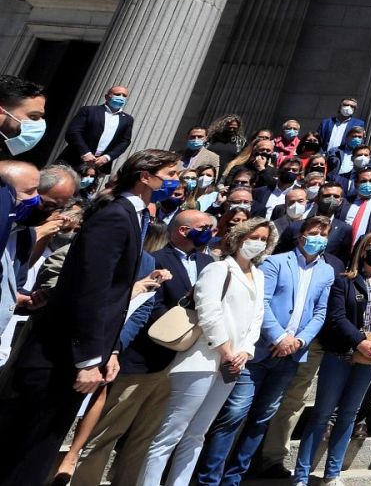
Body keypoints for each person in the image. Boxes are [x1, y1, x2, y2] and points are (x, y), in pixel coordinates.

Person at [0, 148, 176, 485]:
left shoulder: (134, 216)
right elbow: (91, 291)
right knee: (24, 454)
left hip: (77, 355)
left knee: (38, 451)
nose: (175, 182)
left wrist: (108, 351)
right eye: (170, 175)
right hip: (60, 357)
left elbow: (113, 294)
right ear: (145, 176)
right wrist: (88, 360)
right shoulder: (115, 215)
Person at [71, 210, 217, 486]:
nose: (211, 231)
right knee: (106, 434)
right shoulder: (156, 259)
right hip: (139, 361)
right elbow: (145, 309)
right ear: (184, 231)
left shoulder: (207, 262)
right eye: (205, 227)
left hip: (175, 364)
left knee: (144, 438)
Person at [197, 217, 337, 486]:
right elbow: (263, 303)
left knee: (262, 418)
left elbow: (320, 312)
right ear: (301, 236)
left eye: (323, 233)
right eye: (313, 232)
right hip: (259, 353)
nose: (318, 237)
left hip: (291, 356)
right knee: (234, 414)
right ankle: (209, 479)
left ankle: (235, 477)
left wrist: (299, 341)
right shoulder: (275, 262)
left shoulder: (327, 271)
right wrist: (279, 337)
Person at [139, 218, 269, 486]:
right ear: (239, 237)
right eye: (253, 236)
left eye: (264, 239)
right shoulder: (218, 269)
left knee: (198, 434)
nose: (258, 243)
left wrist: (245, 351)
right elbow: (209, 312)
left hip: (232, 364)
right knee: (170, 435)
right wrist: (226, 349)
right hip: (201, 360)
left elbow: (256, 318)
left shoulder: (259, 275)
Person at [291, 231, 371, 486]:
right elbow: (337, 316)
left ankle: (333, 473)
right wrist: (359, 341)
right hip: (341, 353)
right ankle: (302, 475)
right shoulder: (343, 280)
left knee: (349, 414)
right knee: (322, 414)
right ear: (362, 250)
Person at [61, 85, 134, 179]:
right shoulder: (89, 111)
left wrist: (107, 157)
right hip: (74, 159)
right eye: (117, 94)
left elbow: (125, 141)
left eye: (124, 95)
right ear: (107, 96)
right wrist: (85, 152)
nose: (121, 97)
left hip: (99, 165)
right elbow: (73, 132)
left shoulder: (127, 119)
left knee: (84, 192)